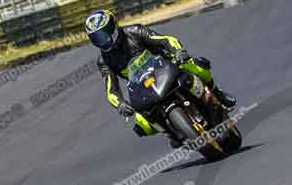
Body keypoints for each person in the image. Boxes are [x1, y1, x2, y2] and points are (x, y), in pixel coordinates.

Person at [85, 9, 236, 147]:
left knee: (196, 66)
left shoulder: (135, 31)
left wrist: (178, 51)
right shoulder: (104, 61)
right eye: (96, 38)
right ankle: (172, 134)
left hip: (166, 67)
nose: (102, 41)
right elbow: (111, 90)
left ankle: (218, 94)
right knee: (142, 124)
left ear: (113, 27)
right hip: (142, 86)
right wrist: (120, 104)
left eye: (103, 35)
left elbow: (166, 40)